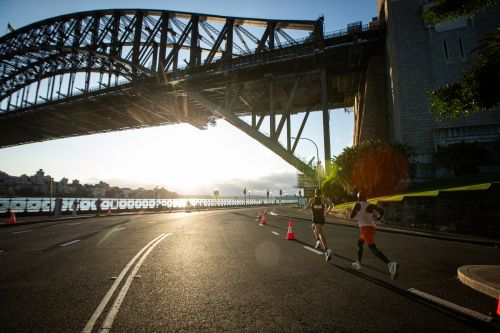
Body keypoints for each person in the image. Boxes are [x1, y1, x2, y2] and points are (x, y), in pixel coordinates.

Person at [349, 191, 400, 280]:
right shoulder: (371, 205)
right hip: (372, 228)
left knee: (373, 249)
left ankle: (390, 264)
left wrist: (355, 213)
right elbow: (382, 211)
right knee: (359, 242)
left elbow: (351, 216)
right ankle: (358, 263)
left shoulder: (357, 205)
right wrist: (378, 218)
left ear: (358, 197)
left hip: (365, 229)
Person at [302, 188, 333, 262]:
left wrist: (305, 207)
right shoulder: (324, 199)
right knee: (313, 227)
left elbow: (307, 207)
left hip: (316, 218)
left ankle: (327, 250)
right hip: (322, 218)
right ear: (320, 193)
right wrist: (327, 212)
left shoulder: (312, 199)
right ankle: (318, 242)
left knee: (320, 233)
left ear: (315, 193)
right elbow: (331, 205)